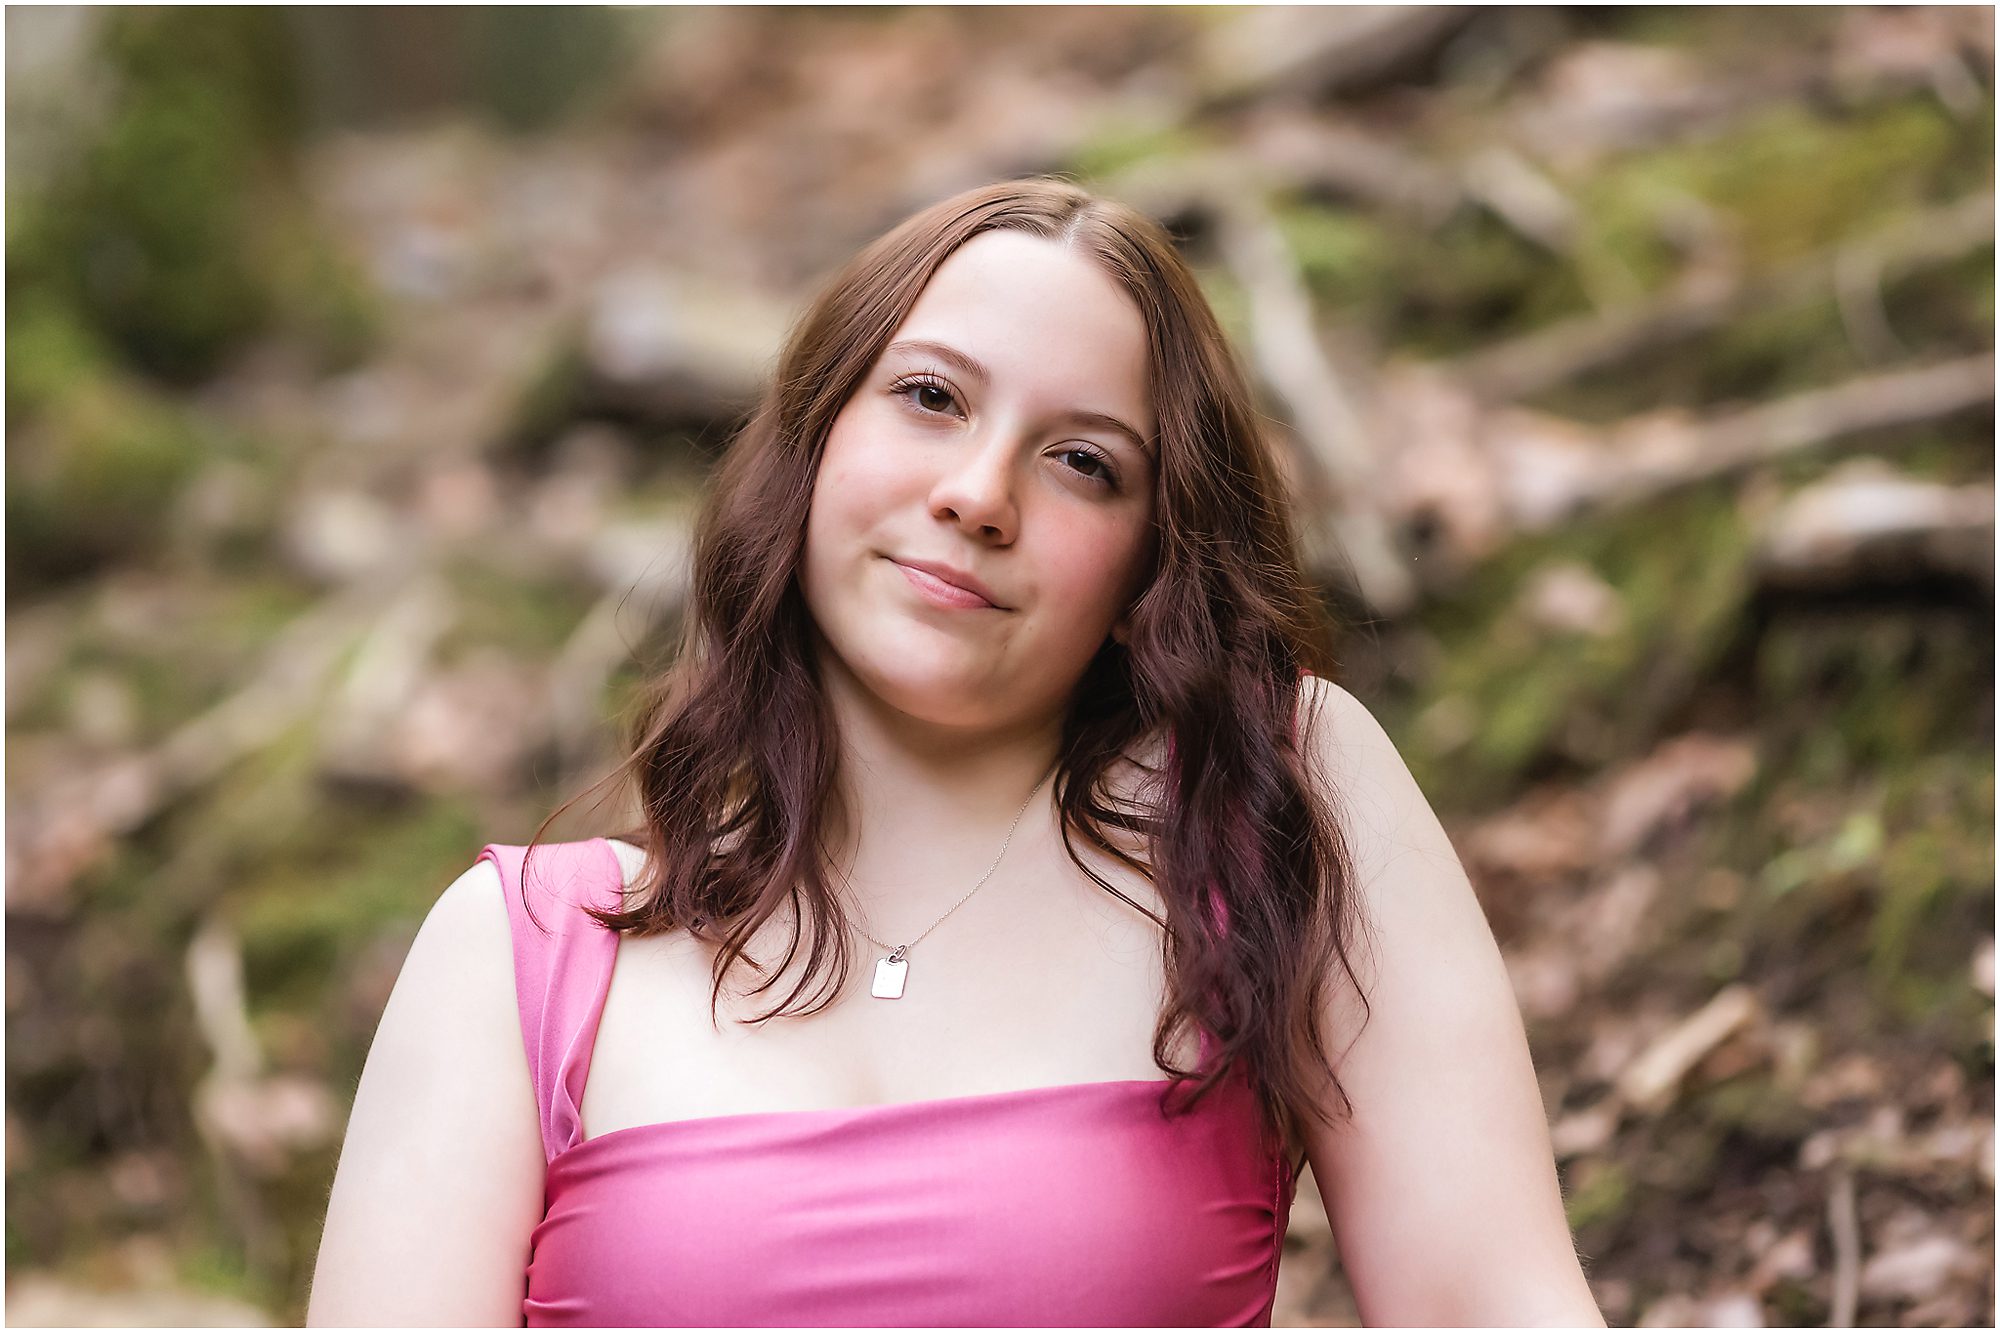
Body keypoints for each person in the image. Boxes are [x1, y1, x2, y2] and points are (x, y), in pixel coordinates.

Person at [307, 176, 1604, 1327]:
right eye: (931, 397)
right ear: (815, 439)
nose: (980, 494)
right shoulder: (521, 954)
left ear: (1151, 561)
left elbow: (1498, 1305)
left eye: (1084, 463)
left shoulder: (1269, 810)